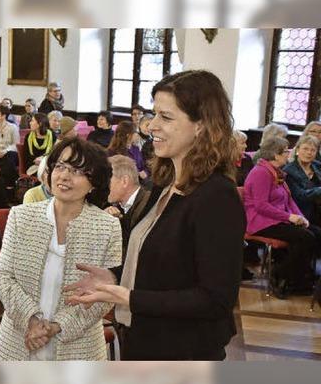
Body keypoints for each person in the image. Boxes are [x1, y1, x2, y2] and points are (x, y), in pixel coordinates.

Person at [65, 70, 246, 360]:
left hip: (184, 350)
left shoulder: (217, 197)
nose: (152, 126)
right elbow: (163, 267)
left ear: (201, 126)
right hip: (145, 338)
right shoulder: (163, 184)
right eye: (154, 114)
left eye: (166, 117)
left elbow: (215, 299)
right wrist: (114, 275)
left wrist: (128, 296)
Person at [0, 137, 121, 361]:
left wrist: (58, 325)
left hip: (80, 348)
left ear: (94, 182)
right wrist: (31, 320)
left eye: (78, 171)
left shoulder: (107, 227)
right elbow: (3, 276)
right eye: (60, 166)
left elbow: (106, 293)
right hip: (18, 339)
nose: (65, 176)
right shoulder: (22, 216)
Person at [244, 136, 317, 297]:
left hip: (277, 219)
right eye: (285, 151)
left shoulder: (276, 172)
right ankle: (280, 273)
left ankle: (299, 278)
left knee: (315, 233)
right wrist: (289, 217)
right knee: (305, 238)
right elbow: (261, 206)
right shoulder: (261, 172)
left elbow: (288, 200)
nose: (288, 153)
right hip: (261, 221)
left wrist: (300, 217)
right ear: (275, 155)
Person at [105, 155, 151, 264]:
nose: (103, 186)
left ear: (124, 181)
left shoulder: (149, 207)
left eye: (107, 181)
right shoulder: (117, 208)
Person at [284, 135, 321, 228]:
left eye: (313, 150)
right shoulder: (289, 170)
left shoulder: (318, 166)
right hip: (303, 213)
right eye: (305, 149)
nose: (309, 152)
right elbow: (300, 196)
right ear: (297, 150)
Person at [0, 103, 19, 190]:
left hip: (9, 154)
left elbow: (16, 145)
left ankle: (6, 186)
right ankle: (8, 186)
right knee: (6, 162)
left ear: (3, 116)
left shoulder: (12, 127)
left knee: (9, 156)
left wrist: (5, 151)